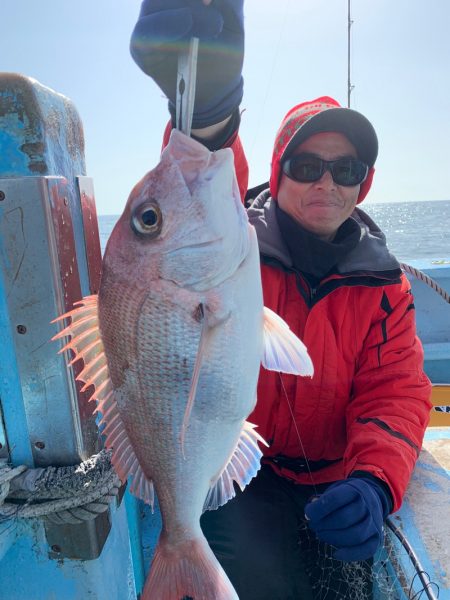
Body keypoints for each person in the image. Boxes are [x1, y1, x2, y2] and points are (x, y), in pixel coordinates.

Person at [130, 1, 433, 598]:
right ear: (278, 170)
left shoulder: (386, 287)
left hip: (341, 475)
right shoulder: (235, 244)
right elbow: (205, 180)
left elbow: (396, 392)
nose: (326, 180)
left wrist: (375, 482)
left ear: (363, 182)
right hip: (247, 475)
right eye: (305, 164)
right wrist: (208, 114)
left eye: (345, 168)